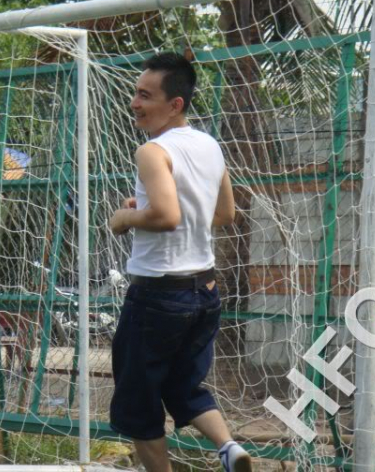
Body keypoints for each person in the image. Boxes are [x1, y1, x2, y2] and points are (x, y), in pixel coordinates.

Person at [108, 53, 251, 472]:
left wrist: (125, 218)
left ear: (176, 104)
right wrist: (150, 208)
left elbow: (167, 217)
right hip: (204, 292)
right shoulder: (209, 145)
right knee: (185, 386)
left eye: (144, 95)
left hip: (158, 297)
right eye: (135, 92)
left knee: (138, 404)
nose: (134, 102)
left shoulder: (153, 150)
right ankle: (229, 448)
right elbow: (224, 214)